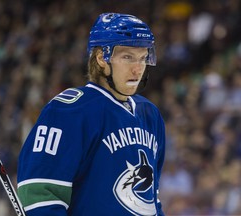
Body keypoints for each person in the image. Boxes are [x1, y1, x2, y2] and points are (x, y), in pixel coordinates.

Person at [17, 12, 166, 216]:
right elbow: (41, 193)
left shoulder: (150, 114)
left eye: (142, 58)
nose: (138, 69)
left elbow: (152, 200)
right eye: (127, 57)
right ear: (101, 58)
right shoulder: (69, 111)